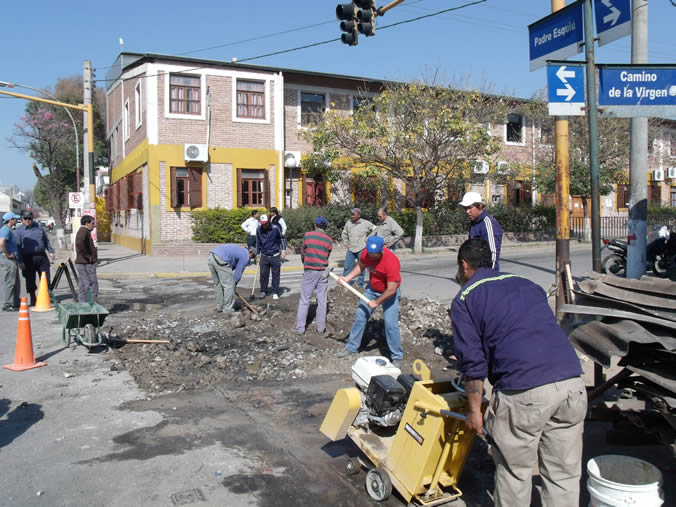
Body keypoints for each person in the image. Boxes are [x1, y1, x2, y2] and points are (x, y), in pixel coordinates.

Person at [450, 239, 586, 507]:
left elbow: (473, 363)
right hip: (571, 385)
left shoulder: (465, 298)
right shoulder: (526, 284)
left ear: (464, 265)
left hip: (524, 392)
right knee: (563, 474)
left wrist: (475, 411)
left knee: (515, 472)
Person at [338, 235, 403, 368]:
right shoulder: (366, 253)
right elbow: (361, 266)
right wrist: (347, 278)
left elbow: (392, 289)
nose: (372, 256)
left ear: (382, 250)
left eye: (375, 254)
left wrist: (376, 302)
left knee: (390, 324)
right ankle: (351, 348)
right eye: (370, 253)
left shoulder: (391, 261)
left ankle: (397, 356)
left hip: (389, 293)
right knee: (360, 316)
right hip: (372, 289)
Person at [295, 216, 333, 335]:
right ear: (325, 227)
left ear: (315, 225)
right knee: (322, 301)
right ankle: (320, 328)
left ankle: (300, 328)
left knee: (305, 300)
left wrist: (305, 263)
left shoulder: (308, 235)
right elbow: (327, 255)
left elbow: (303, 252)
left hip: (310, 270)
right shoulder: (329, 240)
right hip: (323, 272)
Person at [15, 210, 55, 306]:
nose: (27, 220)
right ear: (22, 219)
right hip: (28, 258)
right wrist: (20, 261)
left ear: (32, 219)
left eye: (29, 218)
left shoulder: (39, 227)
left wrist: (51, 251)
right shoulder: (19, 231)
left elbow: (46, 240)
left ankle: (46, 296)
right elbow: (18, 247)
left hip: (41, 256)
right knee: (30, 279)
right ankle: (33, 297)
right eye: (25, 218)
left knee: (46, 277)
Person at [458, 191, 503, 270]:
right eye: (465, 208)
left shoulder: (488, 223)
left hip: (486, 273)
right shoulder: (475, 223)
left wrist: (489, 274)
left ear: (480, 206)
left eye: (470, 207)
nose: (467, 211)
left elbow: (493, 254)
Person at [208, 244, 253, 313]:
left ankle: (220, 306)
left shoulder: (240, 250)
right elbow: (238, 272)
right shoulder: (246, 256)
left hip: (211, 257)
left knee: (218, 284)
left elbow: (231, 267)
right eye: (252, 258)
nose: (250, 259)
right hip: (221, 259)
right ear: (251, 254)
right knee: (229, 285)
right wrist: (233, 284)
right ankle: (228, 309)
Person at [341, 208, 376, 289]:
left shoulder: (365, 223)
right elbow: (344, 234)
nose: (352, 216)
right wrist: (346, 243)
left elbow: (376, 229)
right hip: (351, 249)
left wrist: (369, 237)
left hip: (361, 249)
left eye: (354, 214)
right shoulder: (348, 223)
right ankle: (346, 284)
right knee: (347, 267)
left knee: (361, 267)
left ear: (359, 215)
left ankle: (360, 285)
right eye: (352, 214)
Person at [255, 214, 286, 300]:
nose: (264, 225)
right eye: (262, 224)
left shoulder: (275, 228)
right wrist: (257, 254)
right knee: (263, 275)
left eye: (265, 223)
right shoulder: (259, 229)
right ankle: (263, 291)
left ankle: (275, 291)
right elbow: (258, 242)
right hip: (264, 255)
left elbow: (282, 239)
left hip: (275, 255)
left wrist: (283, 250)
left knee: (275, 275)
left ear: (269, 222)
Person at [0, 212, 21, 311]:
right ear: (10, 220)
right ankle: (7, 304)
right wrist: (7, 253)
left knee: (15, 281)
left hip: (12, 258)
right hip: (7, 258)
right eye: (15, 219)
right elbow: (1, 242)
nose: (16, 220)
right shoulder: (5, 230)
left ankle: (15, 302)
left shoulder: (9, 230)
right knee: (10, 281)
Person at [75, 215, 98, 303]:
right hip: (86, 263)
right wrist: (88, 256)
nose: (94, 225)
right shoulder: (83, 231)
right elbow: (79, 242)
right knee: (91, 284)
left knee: (83, 285)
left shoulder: (85, 231)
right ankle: (91, 305)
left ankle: (82, 304)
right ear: (86, 223)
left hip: (84, 262)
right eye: (92, 223)